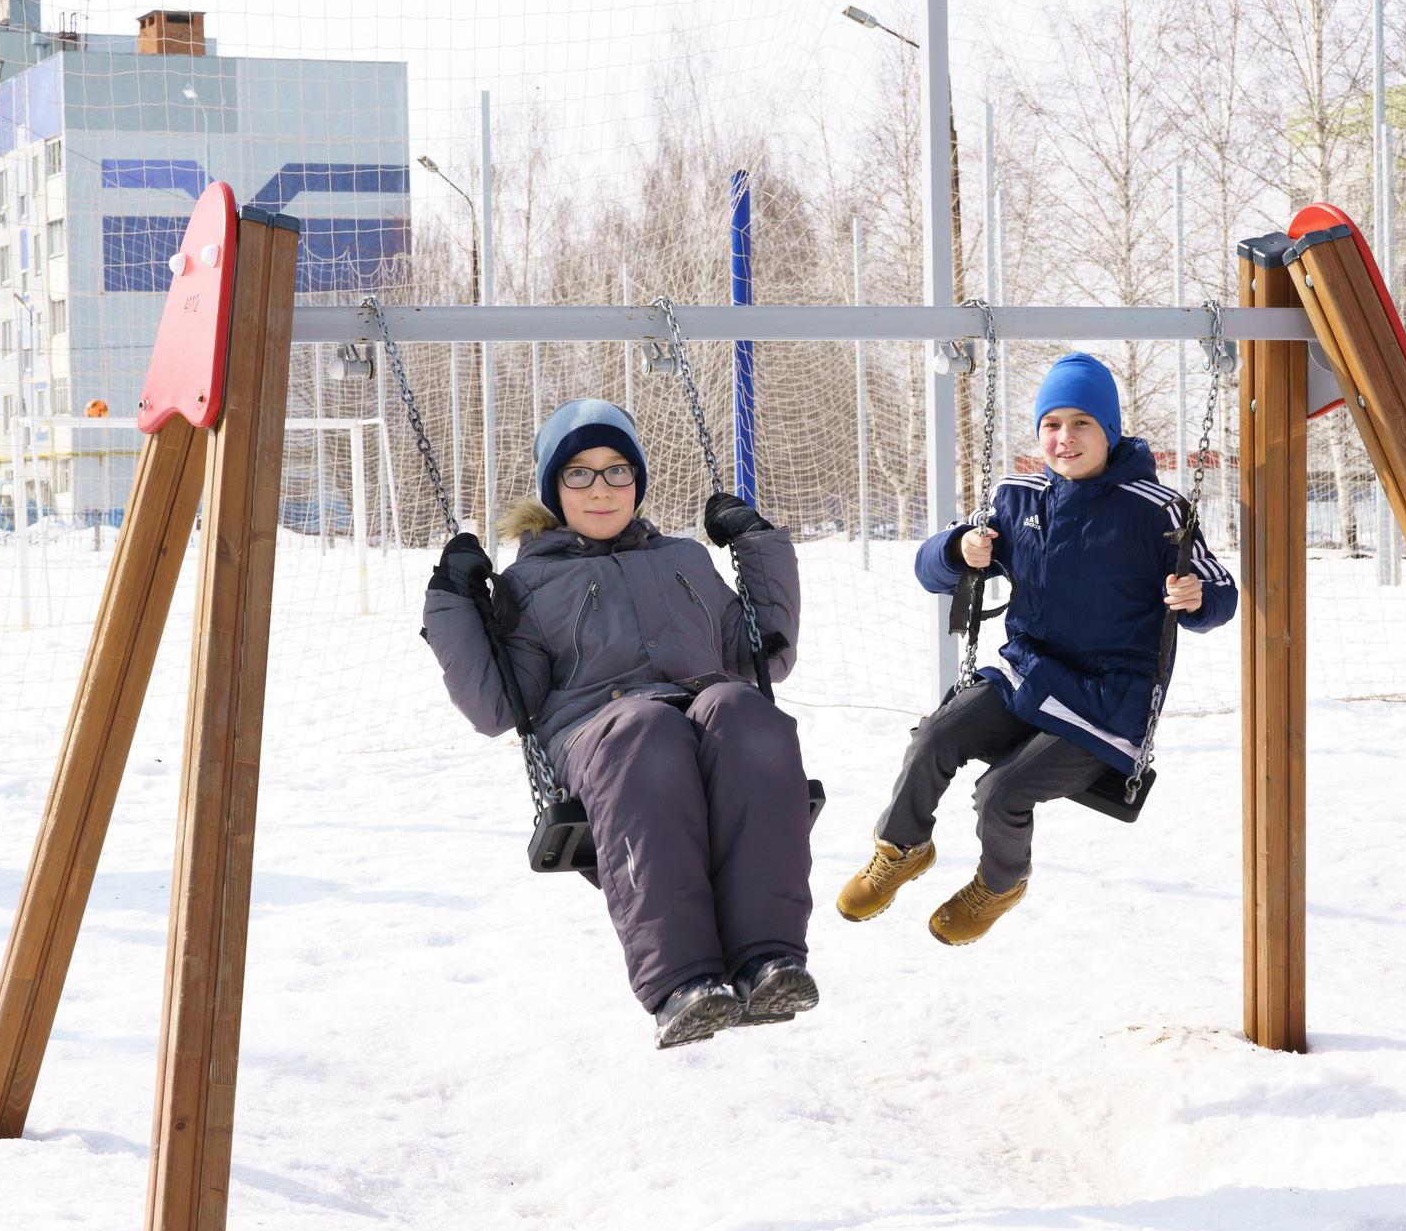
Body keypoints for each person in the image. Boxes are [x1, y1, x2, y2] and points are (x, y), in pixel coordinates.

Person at [421, 398, 816, 1050]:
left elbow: (763, 654)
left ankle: (769, 960)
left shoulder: (685, 559)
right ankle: (682, 980)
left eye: (616, 472)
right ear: (554, 488)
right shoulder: (527, 583)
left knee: (745, 712)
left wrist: (756, 543)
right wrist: (453, 599)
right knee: (646, 731)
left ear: (638, 481)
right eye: (579, 474)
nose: (600, 489)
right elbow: (497, 707)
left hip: (699, 711)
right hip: (601, 732)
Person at [843, 352, 1236, 945]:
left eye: (1082, 423)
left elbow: (1222, 593)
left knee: (999, 794)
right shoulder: (1016, 498)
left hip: (1107, 703)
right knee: (933, 739)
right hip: (1028, 674)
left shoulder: (1159, 511)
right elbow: (932, 567)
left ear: (1110, 429)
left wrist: (1194, 596)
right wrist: (959, 549)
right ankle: (903, 847)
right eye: (1052, 424)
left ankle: (1000, 882)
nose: (1064, 438)